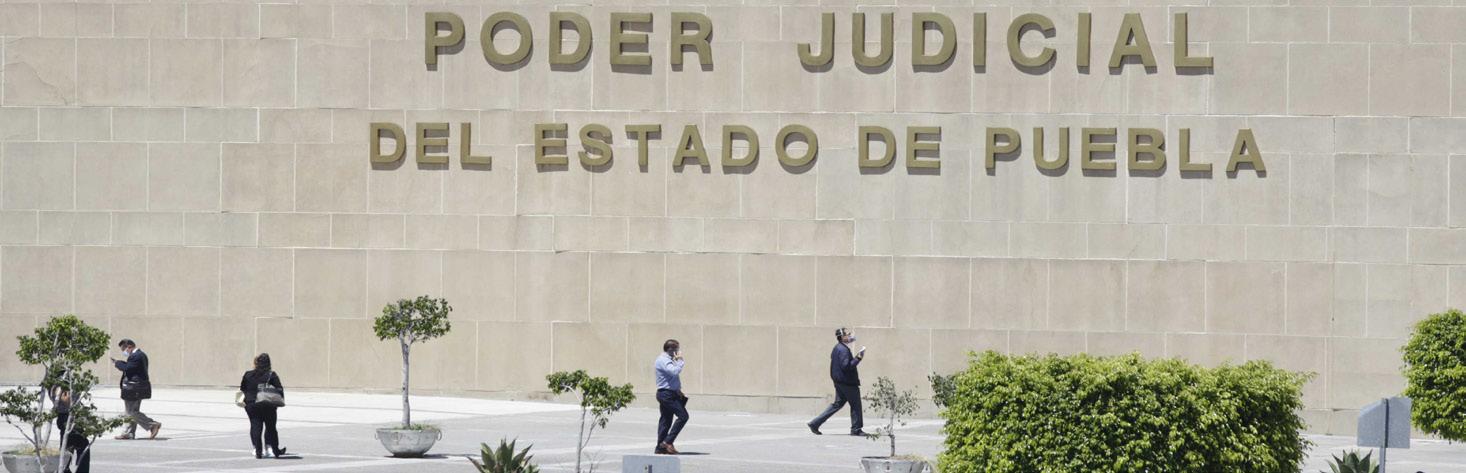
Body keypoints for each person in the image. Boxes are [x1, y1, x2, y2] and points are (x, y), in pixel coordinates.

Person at [807, 327, 865, 436]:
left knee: (837, 404)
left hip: (840, 382)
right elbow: (846, 366)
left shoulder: (837, 348)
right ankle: (856, 429)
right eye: (847, 334)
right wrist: (858, 358)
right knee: (856, 404)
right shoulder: (843, 350)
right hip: (847, 383)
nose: (850, 336)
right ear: (842, 337)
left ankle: (815, 423)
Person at [111, 339, 161, 440]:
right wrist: (120, 362)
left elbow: (127, 368)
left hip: (134, 388)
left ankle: (152, 424)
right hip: (136, 387)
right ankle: (129, 433)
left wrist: (117, 363)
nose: (124, 352)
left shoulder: (136, 356)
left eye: (124, 349)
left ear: (129, 347)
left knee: (131, 412)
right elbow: (131, 367)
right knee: (131, 411)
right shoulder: (139, 355)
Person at [240, 353, 287, 459]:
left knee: (255, 427)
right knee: (271, 428)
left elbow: (242, 388)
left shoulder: (248, 374)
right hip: (268, 404)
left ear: (256, 363)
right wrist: (278, 402)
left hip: (252, 404)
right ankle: (274, 450)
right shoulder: (271, 375)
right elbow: (279, 389)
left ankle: (258, 451)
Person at [653, 339, 689, 455]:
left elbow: (671, 378)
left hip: (671, 393)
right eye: (677, 349)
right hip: (666, 394)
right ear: (670, 349)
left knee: (666, 421)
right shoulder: (663, 360)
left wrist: (678, 390)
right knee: (683, 416)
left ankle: (660, 447)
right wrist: (680, 360)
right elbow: (673, 372)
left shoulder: (668, 360)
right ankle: (667, 442)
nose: (678, 351)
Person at [52, 388, 90, 473]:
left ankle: (64, 469)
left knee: (70, 445)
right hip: (67, 416)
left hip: (68, 416)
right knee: (75, 444)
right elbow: (64, 399)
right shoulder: (60, 386)